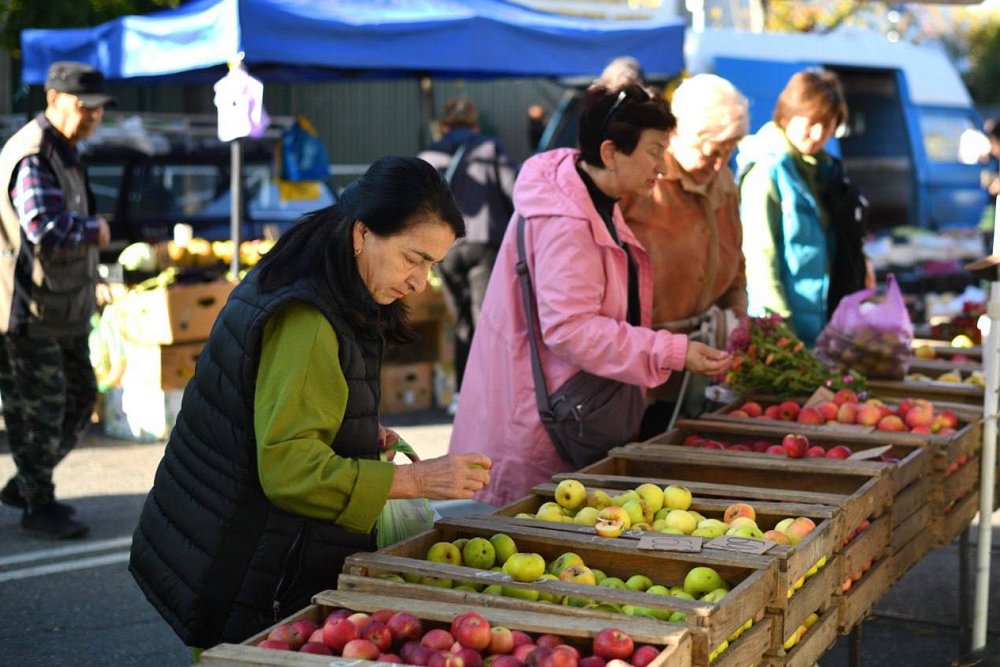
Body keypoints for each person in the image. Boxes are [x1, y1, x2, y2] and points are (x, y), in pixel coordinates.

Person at [129, 156, 492, 650]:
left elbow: (288, 402)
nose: (419, 281)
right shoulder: (309, 316)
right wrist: (419, 480)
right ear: (363, 232)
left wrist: (353, 427)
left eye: (431, 266)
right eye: (413, 259)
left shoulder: (314, 272)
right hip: (248, 571)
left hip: (223, 547)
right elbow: (290, 468)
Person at [448, 84, 731, 507]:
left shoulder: (593, 198)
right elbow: (572, 330)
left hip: (560, 410)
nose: (662, 165)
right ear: (612, 151)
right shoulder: (567, 220)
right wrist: (671, 351)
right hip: (538, 423)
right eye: (654, 151)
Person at [0, 61, 114, 539]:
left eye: (98, 110)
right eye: (82, 107)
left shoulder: (66, 150)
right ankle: (37, 504)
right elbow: (42, 226)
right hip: (27, 309)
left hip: (62, 306)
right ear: (52, 100)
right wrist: (96, 231)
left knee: (81, 396)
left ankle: (28, 485)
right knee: (39, 412)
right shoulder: (33, 153)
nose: (91, 117)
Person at [621, 74, 749, 438]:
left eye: (730, 149)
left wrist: (735, 317)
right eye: (712, 149)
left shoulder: (724, 183)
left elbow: (735, 266)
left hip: (700, 371)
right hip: (641, 370)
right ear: (677, 133)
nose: (720, 160)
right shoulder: (645, 182)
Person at [737, 67, 871, 346]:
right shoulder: (766, 171)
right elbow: (760, 256)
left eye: (828, 124)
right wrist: (777, 327)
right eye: (810, 122)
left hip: (822, 326)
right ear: (786, 115)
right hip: (785, 331)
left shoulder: (825, 171)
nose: (818, 133)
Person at [418, 99, 518, 416]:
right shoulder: (491, 148)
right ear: (474, 125)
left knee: (461, 322)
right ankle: (489, 394)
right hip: (485, 242)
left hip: (443, 249)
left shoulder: (427, 158)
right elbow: (515, 191)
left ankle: (462, 393)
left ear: (444, 126)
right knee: (486, 319)